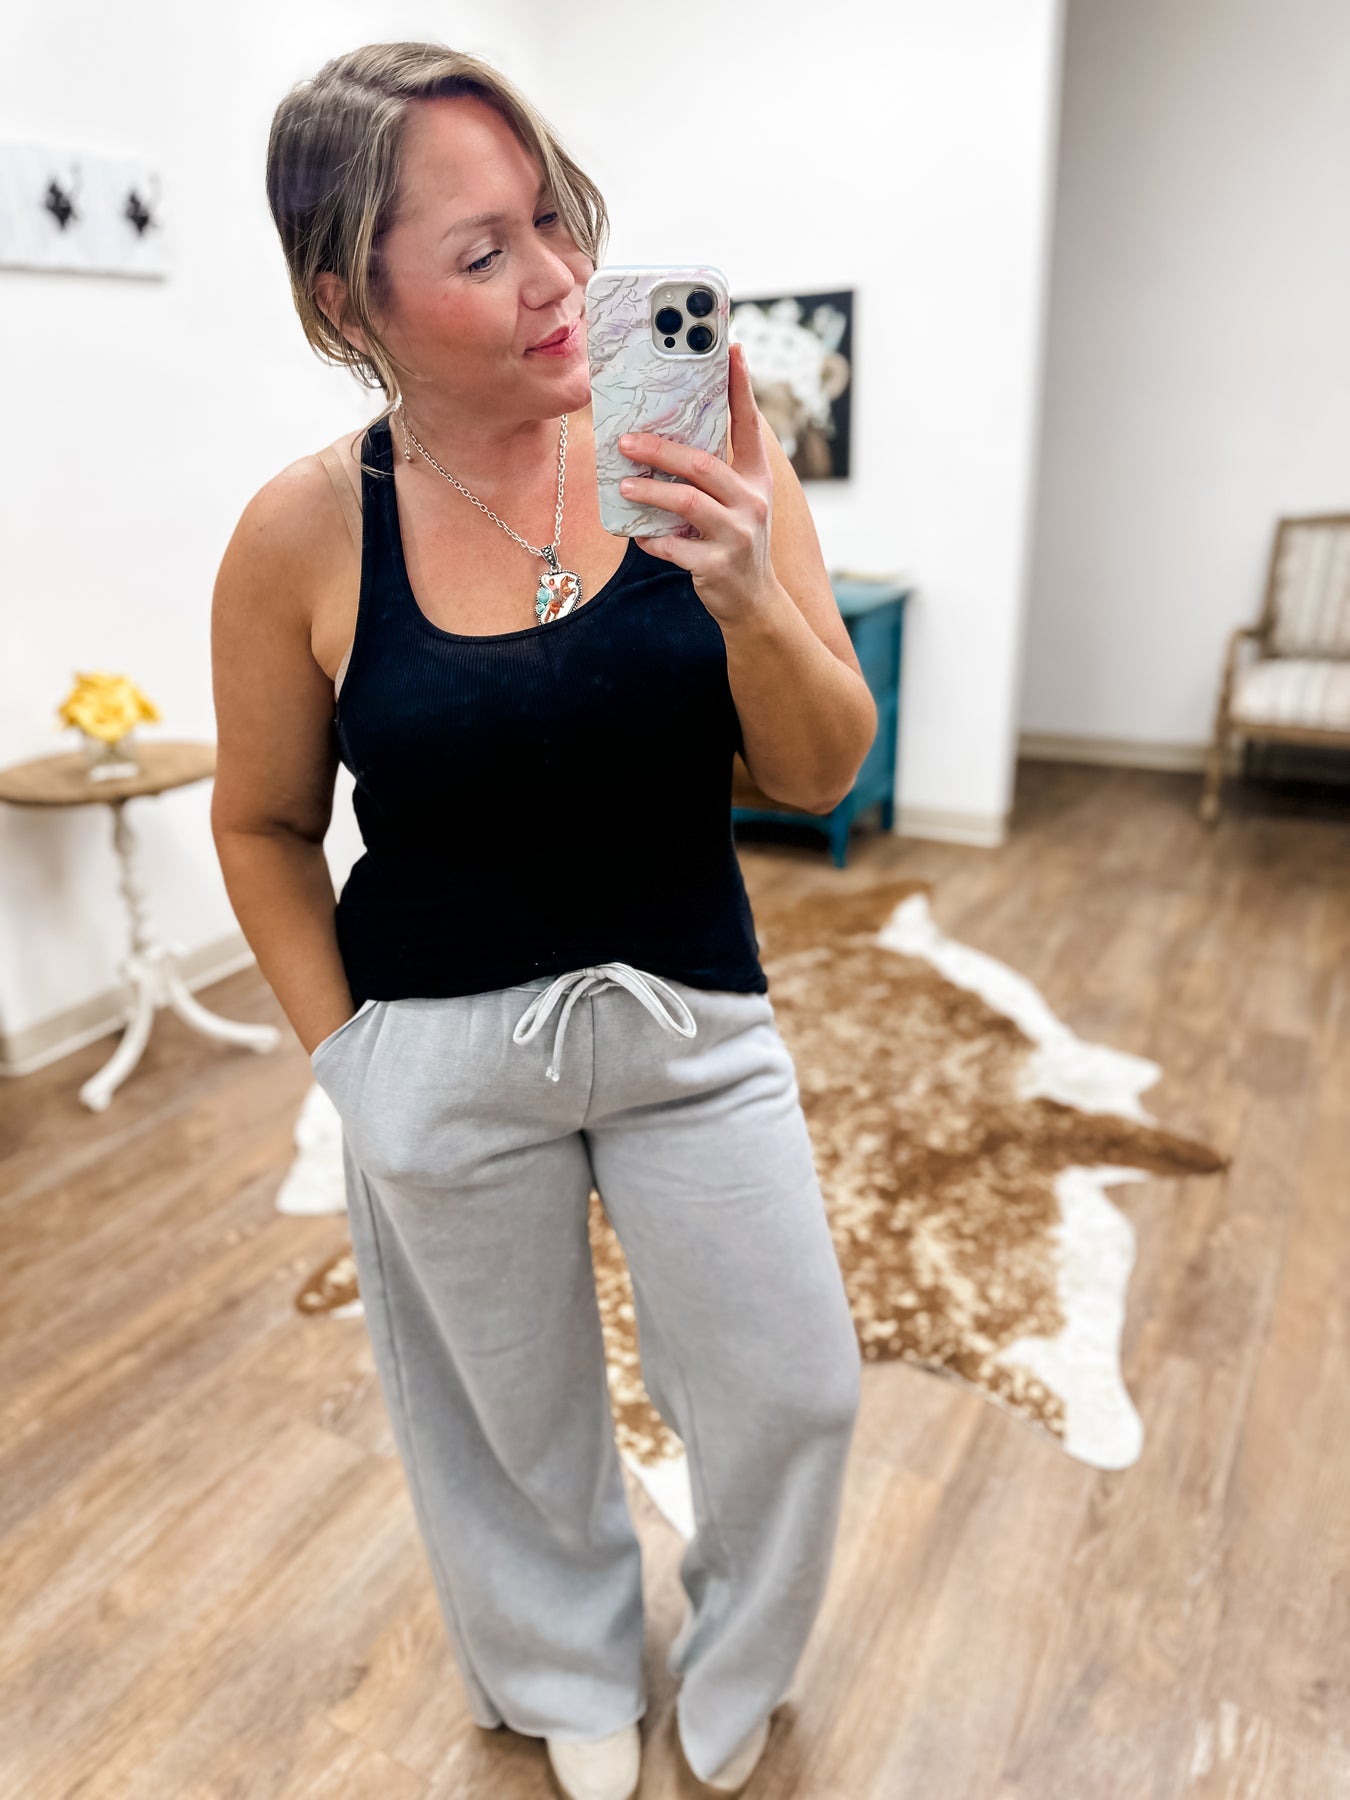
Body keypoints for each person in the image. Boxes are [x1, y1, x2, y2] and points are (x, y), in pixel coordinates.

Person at [210, 40, 875, 1800]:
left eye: (556, 220)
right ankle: (560, 1666)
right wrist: (350, 1064)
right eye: (483, 250)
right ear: (348, 300)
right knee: (506, 1416)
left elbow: (818, 768)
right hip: (436, 1051)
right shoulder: (301, 533)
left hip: (689, 1022)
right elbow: (263, 824)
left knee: (793, 1386)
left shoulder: (705, 453)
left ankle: (738, 1657)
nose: (560, 280)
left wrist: (747, 592)